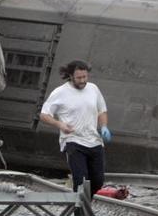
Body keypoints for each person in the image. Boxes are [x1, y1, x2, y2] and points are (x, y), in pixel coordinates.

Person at [39, 60, 110, 196]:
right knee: (81, 182)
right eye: (79, 78)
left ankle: (83, 205)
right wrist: (60, 124)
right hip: (73, 141)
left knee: (98, 181)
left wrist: (104, 126)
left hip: (94, 140)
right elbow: (44, 115)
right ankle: (80, 210)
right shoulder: (60, 92)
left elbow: (102, 110)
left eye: (85, 77)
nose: (83, 80)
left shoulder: (93, 89)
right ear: (71, 76)